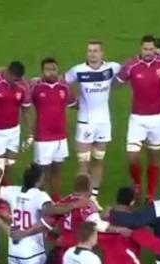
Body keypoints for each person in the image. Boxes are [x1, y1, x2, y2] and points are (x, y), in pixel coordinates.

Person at [0, 164, 71, 264]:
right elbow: (50, 210)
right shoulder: (39, 195)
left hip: (14, 248)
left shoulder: (12, 191)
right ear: (38, 180)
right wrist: (74, 205)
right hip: (32, 252)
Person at [117, 35, 160, 202]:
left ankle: (150, 194)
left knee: (154, 156)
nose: (149, 52)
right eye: (146, 49)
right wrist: (120, 69)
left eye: (151, 49)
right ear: (140, 48)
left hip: (158, 117)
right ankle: (137, 184)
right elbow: (117, 83)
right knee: (133, 156)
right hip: (137, 117)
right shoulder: (132, 65)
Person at [64, 41, 120, 201]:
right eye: (89, 51)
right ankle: (81, 197)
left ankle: (93, 197)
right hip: (85, 122)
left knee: (98, 160)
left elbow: (128, 72)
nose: (92, 54)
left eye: (95, 51)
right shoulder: (78, 70)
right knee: (83, 163)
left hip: (103, 123)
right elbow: (61, 84)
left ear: (102, 53)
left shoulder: (112, 68)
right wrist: (72, 102)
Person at [29, 58, 76, 200]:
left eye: (53, 69)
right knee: (41, 172)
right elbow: (26, 106)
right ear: (42, 71)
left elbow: (73, 103)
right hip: (42, 137)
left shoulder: (64, 88)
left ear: (58, 70)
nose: (51, 72)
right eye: (47, 69)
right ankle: (40, 200)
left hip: (60, 137)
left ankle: (55, 198)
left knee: (57, 169)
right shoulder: (35, 87)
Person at [0, 61, 32, 185]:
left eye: (18, 80)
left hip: (14, 130)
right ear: (8, 73)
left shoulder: (23, 86)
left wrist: (30, 133)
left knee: (10, 163)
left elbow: (26, 111)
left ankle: (3, 187)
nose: (16, 83)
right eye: (14, 79)